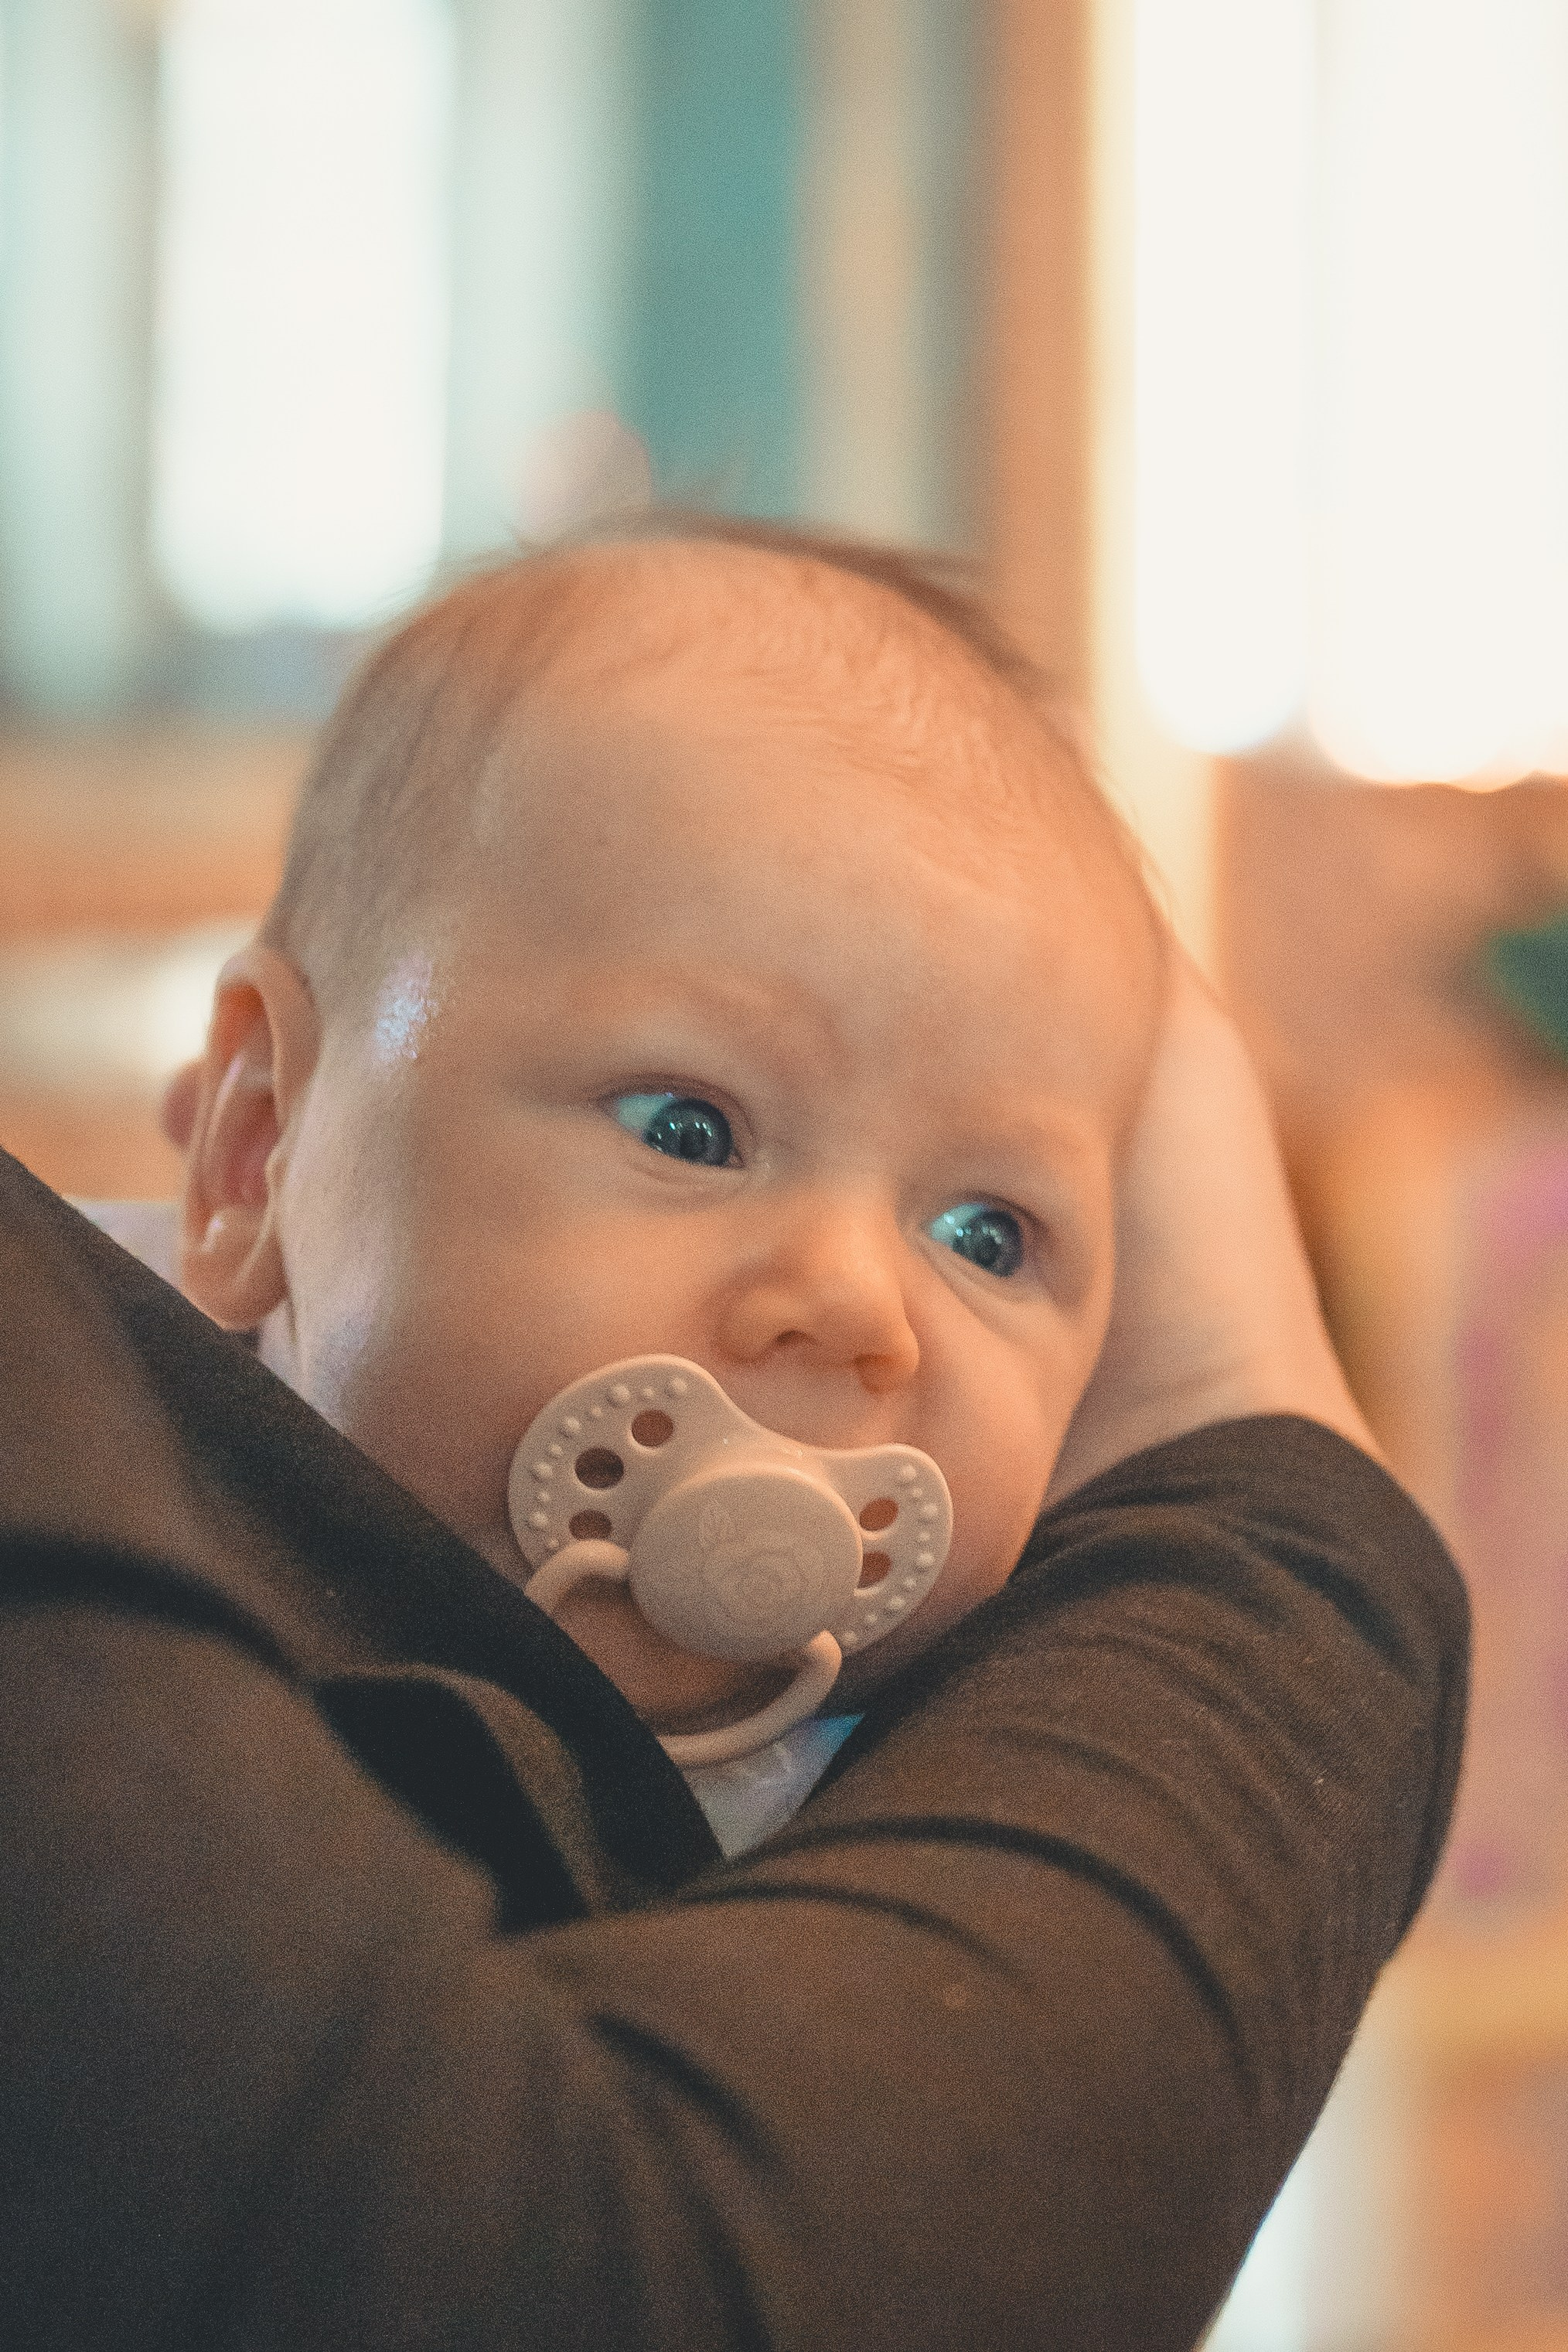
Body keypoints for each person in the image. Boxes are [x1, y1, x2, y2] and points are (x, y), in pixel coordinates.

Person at [0, 526, 1467, 2352]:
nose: (862, 1305)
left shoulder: (965, 1755)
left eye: (987, 1233)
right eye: (690, 1127)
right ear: (252, 1152)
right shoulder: (146, 1522)